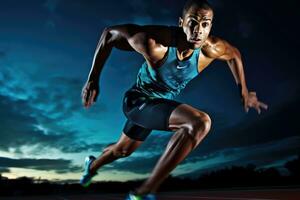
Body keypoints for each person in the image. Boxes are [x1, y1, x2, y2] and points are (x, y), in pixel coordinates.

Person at [80, 0, 268, 199]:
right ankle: (142, 193)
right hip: (138, 101)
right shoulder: (154, 43)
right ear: (182, 23)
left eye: (205, 24)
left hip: (158, 105)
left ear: (211, 26)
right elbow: (109, 34)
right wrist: (93, 78)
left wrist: (244, 92)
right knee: (198, 122)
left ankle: (91, 166)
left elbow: (234, 55)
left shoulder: (211, 48)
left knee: (122, 151)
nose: (198, 30)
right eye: (193, 23)